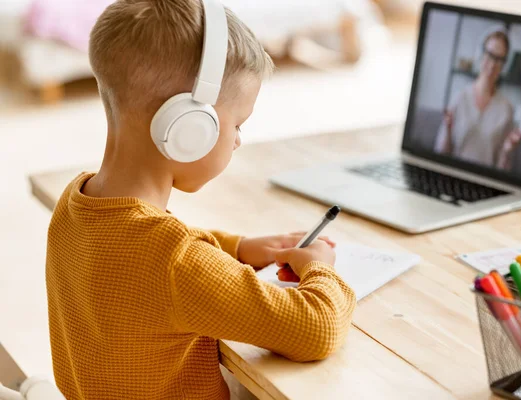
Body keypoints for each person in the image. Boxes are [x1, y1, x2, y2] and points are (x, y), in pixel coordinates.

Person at [45, 1, 356, 399]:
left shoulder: (76, 205)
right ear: (188, 127)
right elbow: (315, 328)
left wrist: (239, 248)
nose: (239, 140)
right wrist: (321, 269)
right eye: (237, 124)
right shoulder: (175, 262)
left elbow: (138, 255)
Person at [434, 29, 521, 170]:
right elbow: (441, 154)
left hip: (485, 182)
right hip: (453, 174)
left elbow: (503, 171)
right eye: (490, 55)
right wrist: (447, 129)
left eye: (499, 59)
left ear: (504, 65)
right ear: (481, 54)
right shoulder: (460, 97)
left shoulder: (507, 109)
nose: (493, 64)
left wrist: (507, 151)